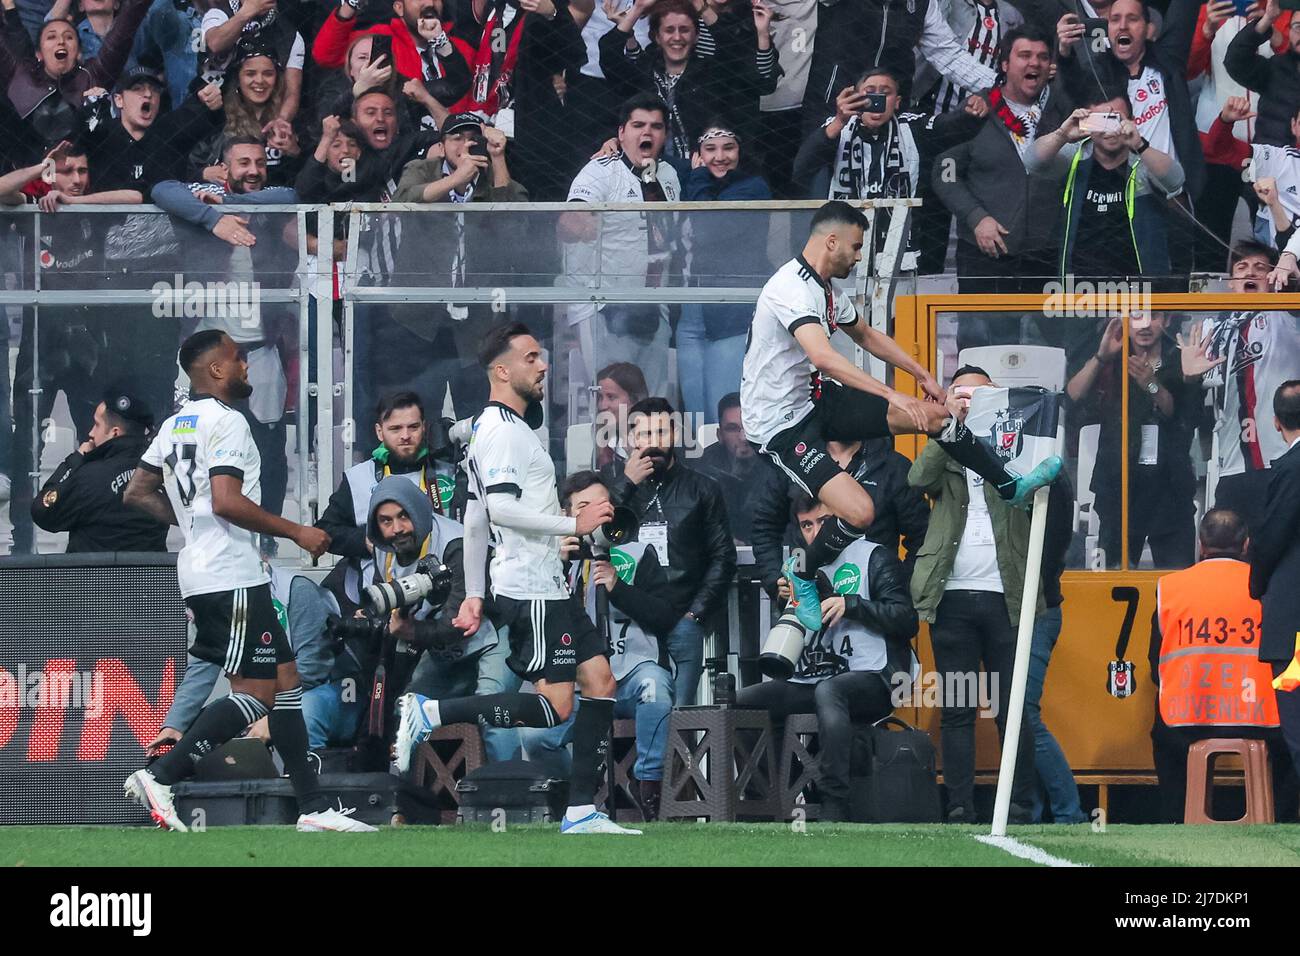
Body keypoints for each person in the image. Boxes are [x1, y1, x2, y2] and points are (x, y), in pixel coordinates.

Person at [739, 200, 1062, 631]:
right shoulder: (790, 288)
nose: (858, 256)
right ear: (830, 241)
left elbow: (867, 334)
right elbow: (825, 357)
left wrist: (922, 374)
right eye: (855, 247)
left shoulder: (826, 289)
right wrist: (894, 394)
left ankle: (1009, 485)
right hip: (780, 424)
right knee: (860, 513)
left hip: (815, 398)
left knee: (933, 417)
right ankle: (801, 574)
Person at [394, 321, 643, 834]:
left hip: (541, 583)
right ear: (501, 370)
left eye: (541, 356)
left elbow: (475, 517)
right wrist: (572, 524)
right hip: (532, 587)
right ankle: (431, 712)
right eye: (531, 358)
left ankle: (579, 811)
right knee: (556, 707)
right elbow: (502, 511)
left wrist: (475, 595)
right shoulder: (504, 432)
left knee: (601, 683)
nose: (543, 365)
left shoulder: (496, 428)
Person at [121, 329, 373, 832]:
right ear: (216, 369)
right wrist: (298, 531)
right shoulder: (228, 421)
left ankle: (312, 808)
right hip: (229, 572)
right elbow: (226, 501)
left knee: (285, 683)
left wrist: (190, 525)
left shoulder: (174, 425)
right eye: (238, 359)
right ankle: (163, 775)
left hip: (210, 569)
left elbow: (136, 491)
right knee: (256, 692)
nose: (246, 368)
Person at [906, 364, 1041, 824]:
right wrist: (949, 424)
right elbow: (918, 480)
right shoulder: (949, 440)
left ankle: (1020, 804)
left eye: (980, 395)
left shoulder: (1015, 441)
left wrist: (995, 423)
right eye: (962, 394)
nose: (971, 402)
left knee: (1012, 708)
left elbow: (1043, 488)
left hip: (1008, 594)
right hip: (954, 594)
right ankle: (960, 805)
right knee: (958, 708)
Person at [737, 494, 918, 822]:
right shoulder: (799, 566)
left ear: (843, 520)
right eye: (807, 525)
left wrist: (851, 605)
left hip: (879, 676)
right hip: (814, 675)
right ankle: (772, 799)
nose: (815, 532)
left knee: (830, 692)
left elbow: (907, 620)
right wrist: (784, 599)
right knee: (744, 702)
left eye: (823, 521)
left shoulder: (874, 556)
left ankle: (835, 801)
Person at [150, 137, 299, 525]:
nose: (253, 170)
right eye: (243, 162)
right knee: (195, 443)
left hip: (260, 350)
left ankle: (269, 536)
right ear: (223, 168)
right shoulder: (200, 203)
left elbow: (291, 193)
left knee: (269, 447)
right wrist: (211, 219)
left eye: (260, 162)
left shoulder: (268, 202)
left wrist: (227, 207)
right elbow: (160, 189)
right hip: (204, 352)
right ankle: (199, 525)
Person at [350, 476, 512, 764]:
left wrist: (409, 631)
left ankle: (506, 798)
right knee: (407, 715)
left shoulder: (455, 543)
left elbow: (457, 623)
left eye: (403, 516)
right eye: (386, 521)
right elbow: (384, 599)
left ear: (418, 510)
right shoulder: (382, 551)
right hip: (438, 647)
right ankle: (414, 799)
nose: (397, 529)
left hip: (490, 638)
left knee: (494, 716)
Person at [1150, 508, 1294, 822]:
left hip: (1186, 720)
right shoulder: (1270, 588)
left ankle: (1175, 818)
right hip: (1263, 719)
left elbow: (1154, 665)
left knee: (1163, 740)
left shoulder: (1170, 588)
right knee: (1290, 745)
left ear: (1201, 544)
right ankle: (1280, 819)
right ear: (1246, 545)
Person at [599, 396, 736, 705]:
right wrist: (627, 484)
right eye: (645, 435)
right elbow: (598, 536)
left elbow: (723, 557)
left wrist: (695, 614)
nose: (654, 443)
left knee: (679, 719)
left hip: (681, 617)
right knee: (626, 715)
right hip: (629, 618)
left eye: (661, 433)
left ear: (674, 434)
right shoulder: (616, 489)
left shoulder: (702, 488)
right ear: (632, 438)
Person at [391, 112, 528, 421]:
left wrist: (498, 158)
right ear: (441, 145)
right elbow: (404, 199)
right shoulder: (421, 168)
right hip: (420, 317)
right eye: (456, 138)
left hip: (476, 322)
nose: (466, 144)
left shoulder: (496, 174)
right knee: (418, 411)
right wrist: (456, 179)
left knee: (477, 411)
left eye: (473, 138)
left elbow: (514, 224)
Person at [561, 470, 678, 819]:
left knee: (655, 689)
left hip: (632, 675)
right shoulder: (555, 559)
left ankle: (649, 790)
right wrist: (555, 564)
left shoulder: (638, 553)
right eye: (584, 507)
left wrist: (618, 587)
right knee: (537, 737)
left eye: (602, 505)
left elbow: (664, 616)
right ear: (567, 516)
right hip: (578, 684)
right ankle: (575, 794)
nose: (597, 514)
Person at [559, 93, 681, 401]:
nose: (647, 133)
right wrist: (579, 224)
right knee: (611, 399)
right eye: (638, 125)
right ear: (621, 132)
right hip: (604, 306)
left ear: (664, 135)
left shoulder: (670, 176)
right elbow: (570, 217)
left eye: (655, 126)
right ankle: (608, 452)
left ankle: (648, 451)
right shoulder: (600, 170)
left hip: (655, 307)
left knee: (652, 402)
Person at [932, 26, 1072, 295]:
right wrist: (976, 218)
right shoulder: (976, 109)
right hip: (984, 250)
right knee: (982, 337)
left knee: (1048, 337)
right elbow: (945, 173)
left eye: (1043, 57)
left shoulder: (1062, 110)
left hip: (1047, 253)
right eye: (1025, 55)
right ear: (1005, 64)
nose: (1035, 62)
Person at [1066, 311, 1198, 569]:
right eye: (1136, 316)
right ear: (1123, 319)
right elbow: (1073, 395)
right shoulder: (1110, 352)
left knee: (1176, 577)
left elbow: (1181, 415)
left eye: (1154, 316)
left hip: (1169, 487)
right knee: (1113, 580)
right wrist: (1101, 356)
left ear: (1168, 320)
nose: (1145, 324)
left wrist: (1150, 384)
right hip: (1119, 484)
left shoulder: (1179, 356)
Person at [1187, 241, 1300, 533]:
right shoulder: (1213, 327)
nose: (1251, 273)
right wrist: (1189, 377)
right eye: (1242, 267)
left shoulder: (1287, 314)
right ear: (1231, 283)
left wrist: (1289, 262)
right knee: (1231, 556)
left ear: (1273, 278)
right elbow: (1196, 397)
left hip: (1282, 464)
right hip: (1233, 466)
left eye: (1260, 267)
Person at [1024, 92, 1185, 283]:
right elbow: (1032, 162)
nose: (1110, 129)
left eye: (1116, 119)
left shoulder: (1143, 159)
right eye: (1101, 120)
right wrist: (1063, 134)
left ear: (1130, 120)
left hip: (1138, 291)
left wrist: (1139, 145)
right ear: (1088, 123)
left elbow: (1176, 180)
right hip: (1079, 289)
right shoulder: (1077, 154)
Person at [318, 392, 462, 600]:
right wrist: (369, 541)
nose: (405, 435)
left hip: (445, 595)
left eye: (413, 427)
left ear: (424, 426)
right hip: (382, 598)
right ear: (379, 431)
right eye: (395, 428)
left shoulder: (451, 470)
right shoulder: (358, 477)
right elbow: (325, 532)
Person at [752, 435, 930, 598]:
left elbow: (922, 536)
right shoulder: (797, 460)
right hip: (809, 595)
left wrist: (898, 586)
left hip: (874, 602)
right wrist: (775, 579)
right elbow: (764, 528)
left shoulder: (893, 466)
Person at [599, 0, 780, 160]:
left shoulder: (713, 73)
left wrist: (699, 5)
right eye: (669, 30)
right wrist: (637, 9)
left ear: (697, 36)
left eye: (684, 30)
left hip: (702, 166)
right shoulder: (644, 72)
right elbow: (609, 54)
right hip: (653, 166)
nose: (677, 37)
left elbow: (731, 48)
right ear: (657, 37)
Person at [678, 122, 770, 423]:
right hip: (692, 308)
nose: (720, 156)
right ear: (697, 153)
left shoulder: (752, 187)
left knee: (724, 412)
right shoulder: (690, 180)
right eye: (710, 149)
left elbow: (708, 228)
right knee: (694, 417)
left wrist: (699, 175)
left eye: (728, 147)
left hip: (732, 310)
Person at [30, 387, 168, 552]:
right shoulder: (160, 476)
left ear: (114, 433)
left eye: (97, 425)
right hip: (151, 577)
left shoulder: (89, 478)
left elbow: (43, 512)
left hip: (92, 577)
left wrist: (75, 461)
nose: (91, 433)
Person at [0, 0, 149, 151]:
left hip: (85, 163)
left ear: (78, 53)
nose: (61, 42)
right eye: (51, 37)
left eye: (69, 37)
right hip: (26, 167)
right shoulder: (20, 75)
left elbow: (123, 32)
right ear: (39, 53)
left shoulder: (92, 75)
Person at [1250, 381, 1300, 780]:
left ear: (1275, 422)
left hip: (1294, 624)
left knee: (1297, 722)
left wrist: (1256, 583)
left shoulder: (1291, 469)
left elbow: (1272, 537)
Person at [1224, 0, 1300, 148]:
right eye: (1298, 27)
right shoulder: (1276, 67)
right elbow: (1235, 61)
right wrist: (1267, 19)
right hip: (1268, 163)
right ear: (1289, 31)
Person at [697, 392, 761, 543]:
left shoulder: (777, 465)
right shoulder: (704, 471)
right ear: (720, 435)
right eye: (733, 429)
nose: (743, 437)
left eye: (749, 427)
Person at [593, 360, 647, 469]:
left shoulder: (661, 443)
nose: (602, 406)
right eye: (600, 398)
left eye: (611, 397)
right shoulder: (603, 448)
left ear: (635, 399)